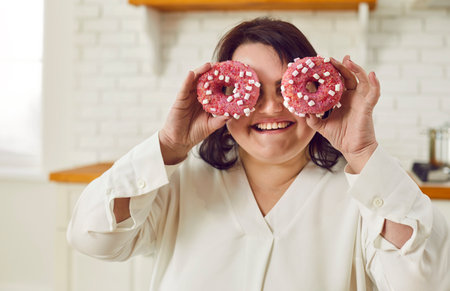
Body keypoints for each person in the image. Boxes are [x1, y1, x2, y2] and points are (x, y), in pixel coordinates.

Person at [67, 17, 449, 290]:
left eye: (288, 88)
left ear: (318, 92)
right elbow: (93, 239)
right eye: (250, 91)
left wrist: (364, 153)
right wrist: (167, 146)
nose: (270, 108)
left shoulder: (369, 195)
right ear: (220, 100)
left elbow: (422, 282)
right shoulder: (175, 183)